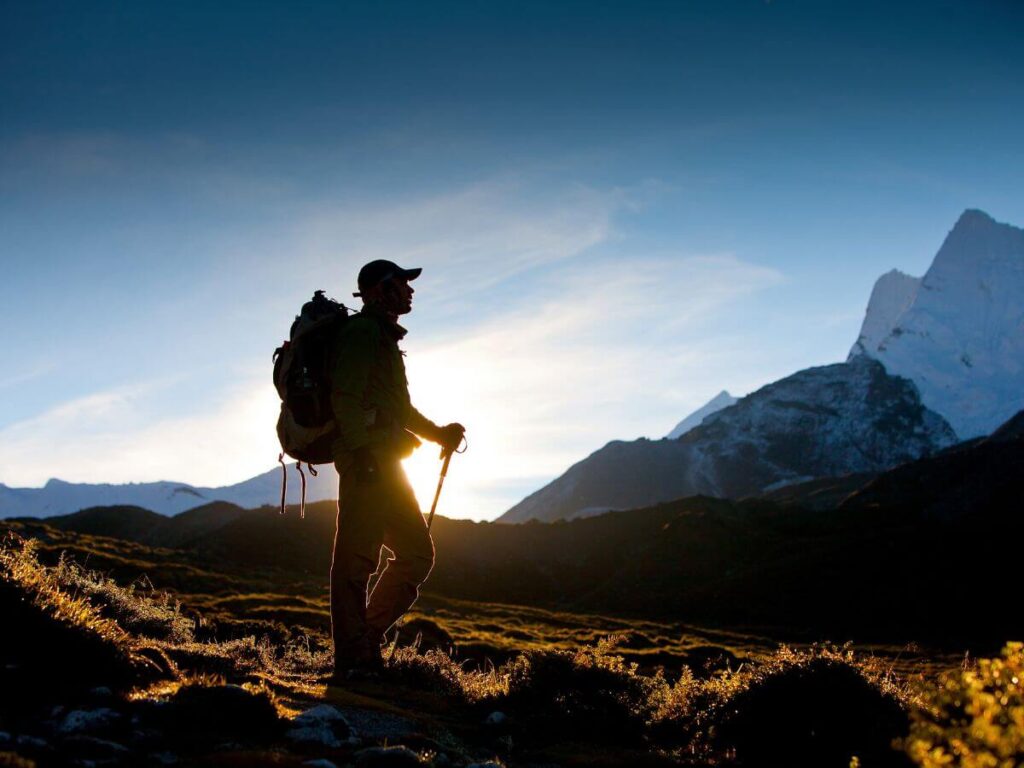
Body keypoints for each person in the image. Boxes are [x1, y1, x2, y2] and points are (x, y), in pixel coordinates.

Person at [327, 259, 464, 680]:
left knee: (415, 554)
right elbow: (344, 396)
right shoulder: (364, 333)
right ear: (375, 291)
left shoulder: (383, 338)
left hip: (386, 461)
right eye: (400, 283)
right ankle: (354, 657)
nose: (409, 290)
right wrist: (363, 453)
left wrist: (439, 433)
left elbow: (398, 410)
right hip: (369, 462)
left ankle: (363, 643)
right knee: (357, 558)